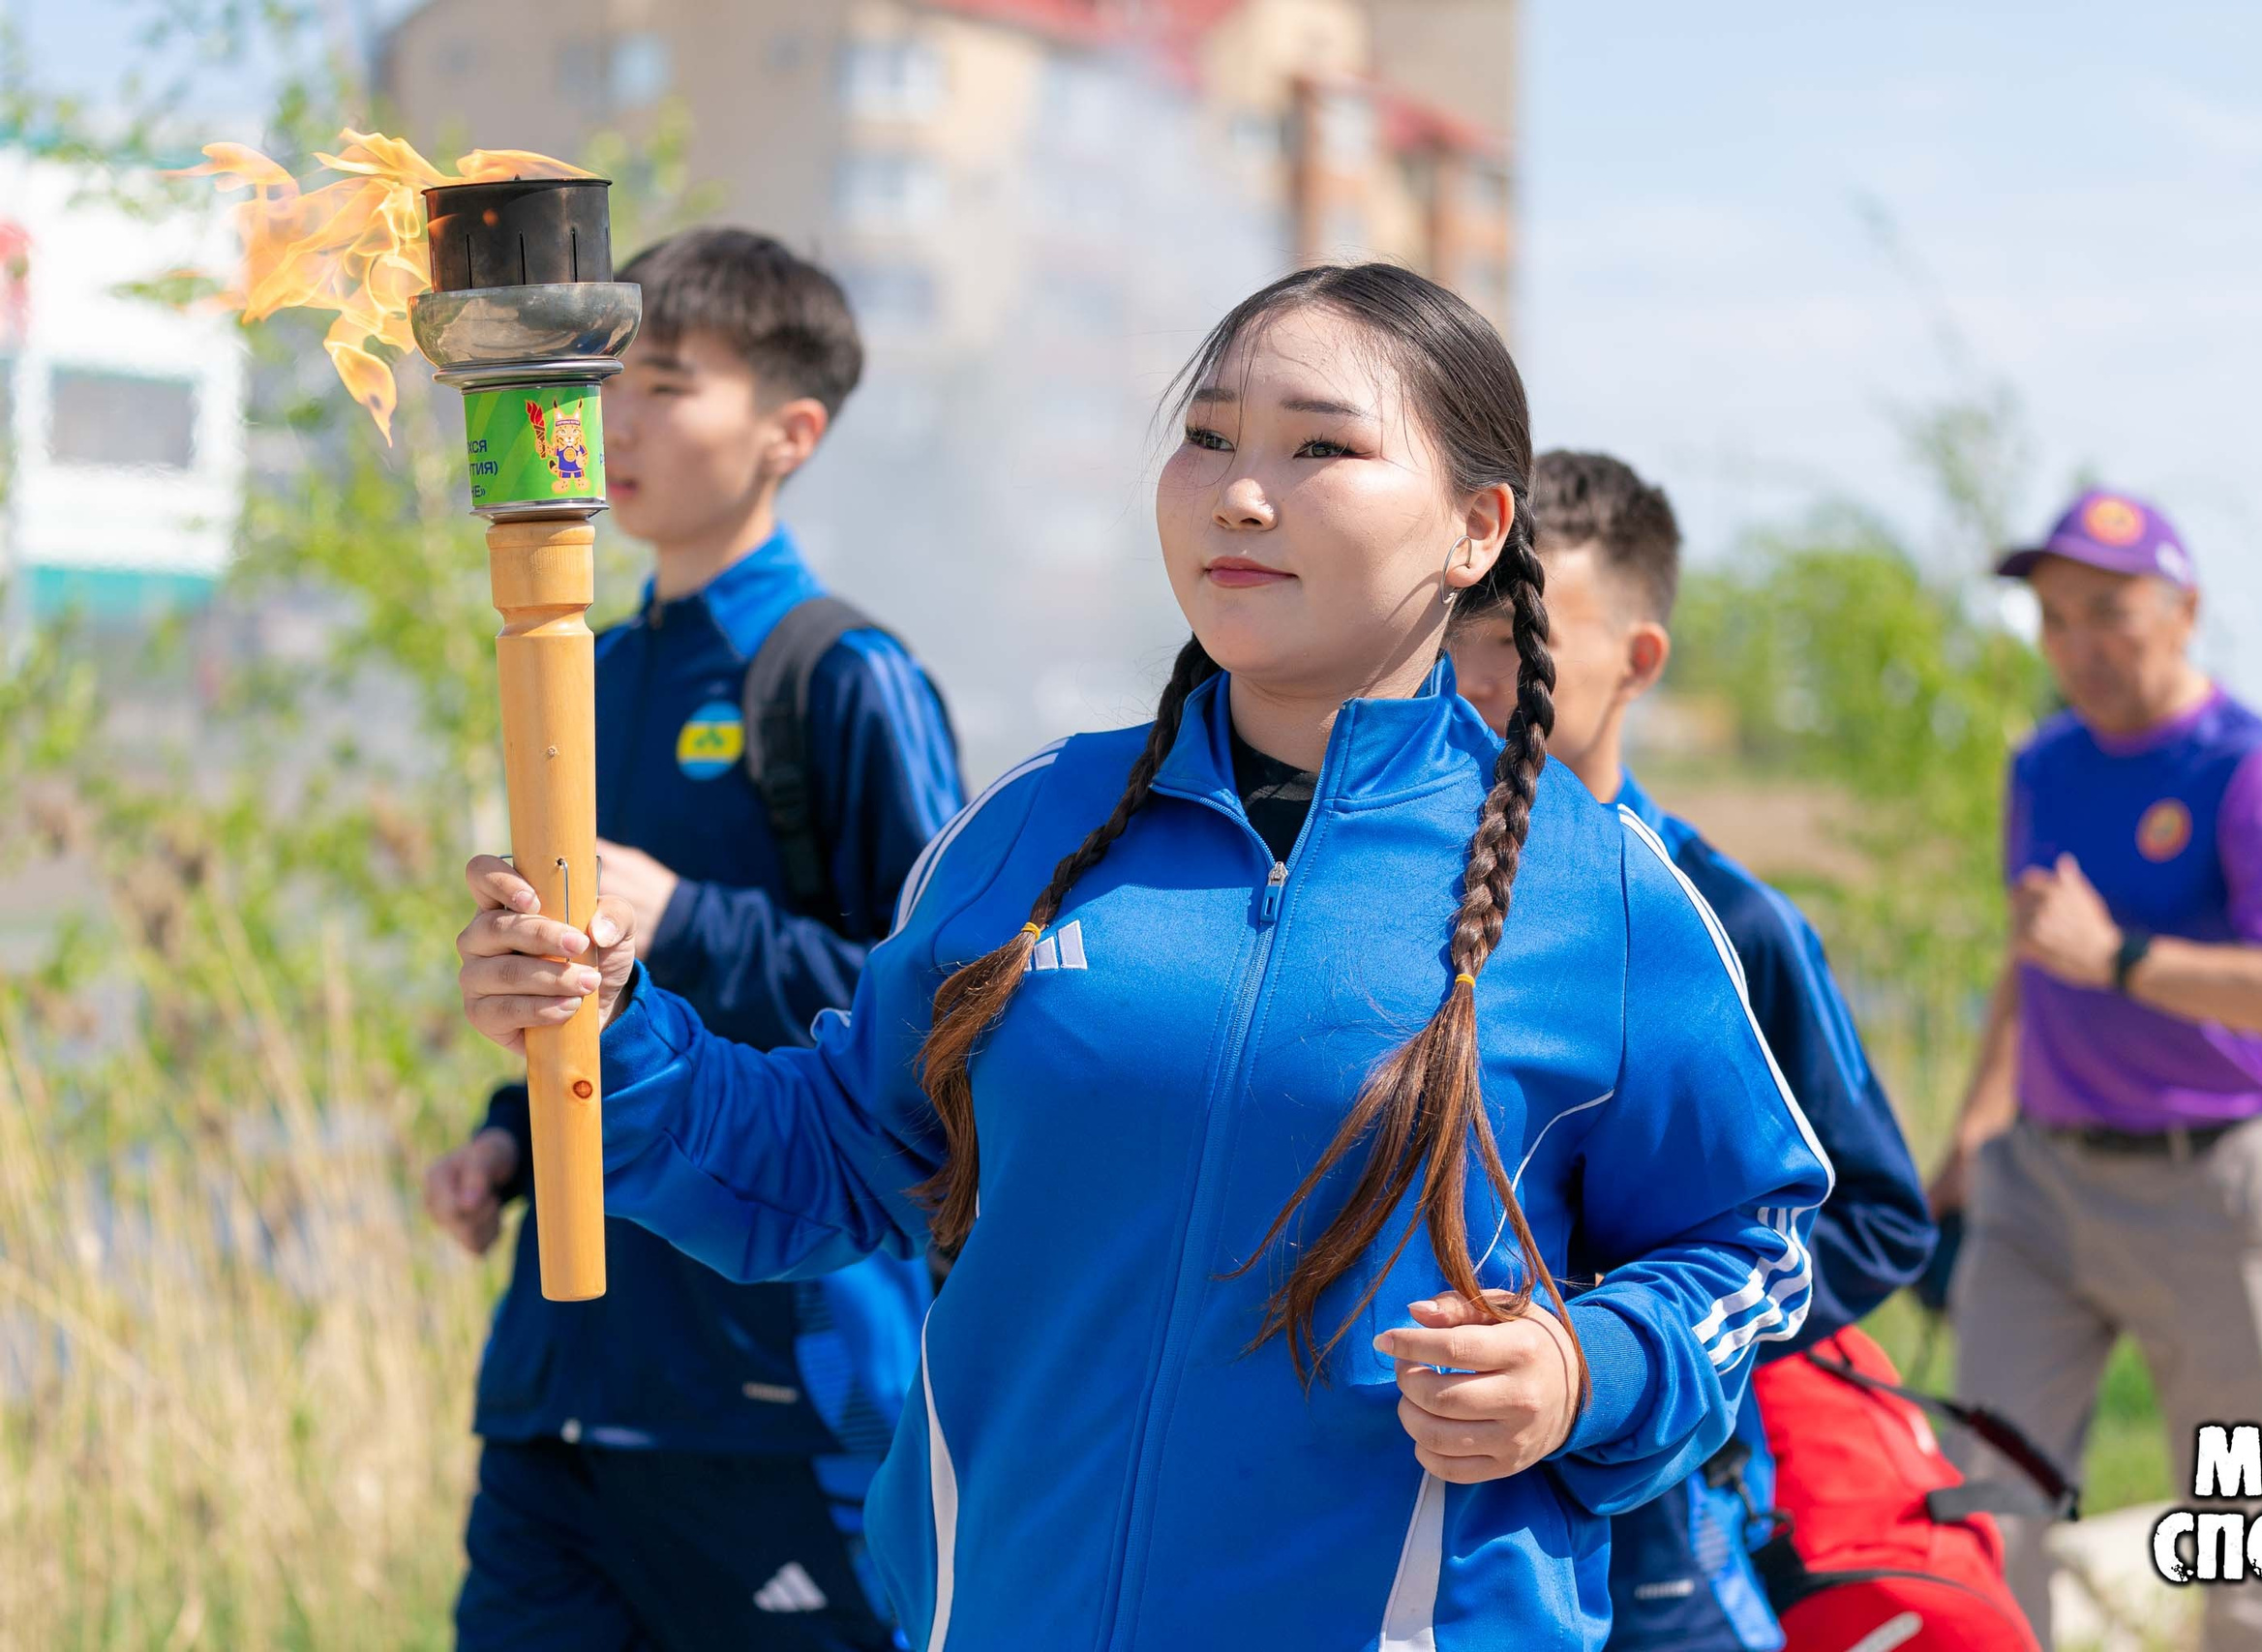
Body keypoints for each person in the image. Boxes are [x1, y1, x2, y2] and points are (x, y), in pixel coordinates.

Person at [452, 263, 1833, 1650]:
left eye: (1321, 448)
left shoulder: (1601, 895)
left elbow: (1751, 1241)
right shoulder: (1033, 830)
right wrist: (607, 1026)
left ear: (1476, 529)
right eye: (1209, 436)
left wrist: (1587, 1367)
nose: (1240, 493)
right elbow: (826, 1159)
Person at [420, 227, 963, 1652]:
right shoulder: (580, 664)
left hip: (778, 1395)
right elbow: (584, 990)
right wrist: (504, 1139)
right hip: (564, 1392)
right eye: (608, 381)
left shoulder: (843, 676)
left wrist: (694, 920)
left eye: (668, 383)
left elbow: (950, 1020)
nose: (619, 421)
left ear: (792, 432)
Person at [1454, 450, 1935, 1651]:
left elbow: (1876, 1217)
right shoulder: (1395, 897)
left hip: (1665, 1516)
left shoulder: (1727, 920)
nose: (1478, 677)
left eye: (1522, 641)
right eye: (1460, 634)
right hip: (1432, 1487)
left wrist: (1629, 1342)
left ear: (1639, 660)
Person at [1925, 490, 2262, 1652]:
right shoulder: (2043, 766)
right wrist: (1970, 1131)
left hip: (2217, 1188)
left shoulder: (2257, 769)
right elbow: (2032, 957)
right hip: (2040, 1191)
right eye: (2055, 619)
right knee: (1986, 1503)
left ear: (2184, 613)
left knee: (2247, 1531)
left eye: (2108, 613)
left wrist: (2116, 957)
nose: (2078, 646)